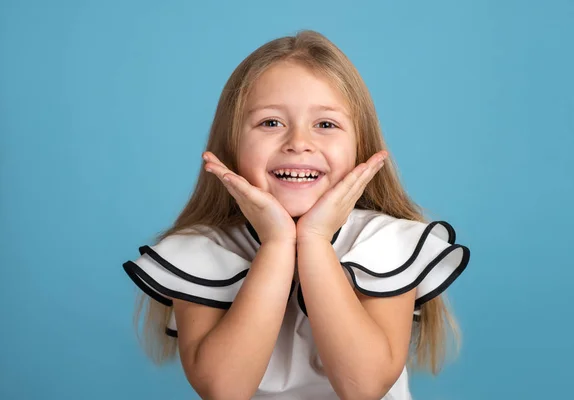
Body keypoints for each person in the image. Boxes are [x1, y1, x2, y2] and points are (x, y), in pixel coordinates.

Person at [122, 29, 471, 400]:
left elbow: (364, 387)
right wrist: (276, 245)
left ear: (361, 146)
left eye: (326, 124)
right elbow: (223, 390)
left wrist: (315, 241)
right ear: (231, 145)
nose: (298, 143)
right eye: (271, 123)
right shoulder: (200, 253)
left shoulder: (386, 245)